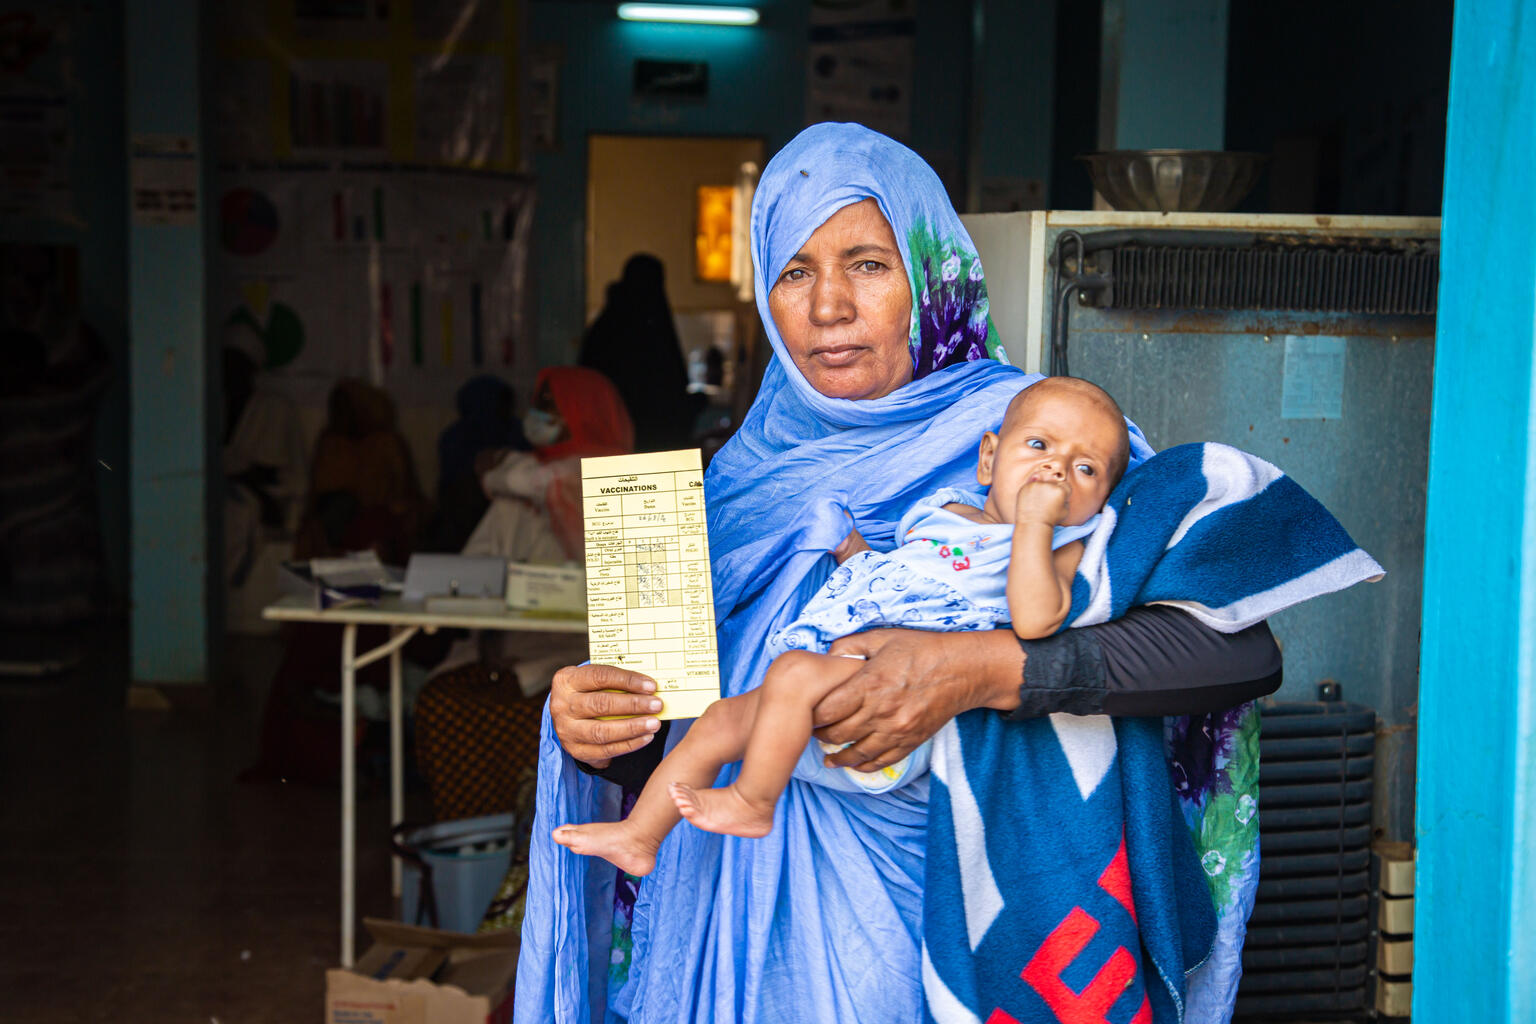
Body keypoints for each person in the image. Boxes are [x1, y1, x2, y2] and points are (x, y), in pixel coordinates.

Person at [517, 123, 1285, 1024]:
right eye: (795, 271)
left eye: (868, 264)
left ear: (931, 273)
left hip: (958, 923)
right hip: (728, 941)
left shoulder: (1034, 440)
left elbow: (1233, 647)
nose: (828, 306)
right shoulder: (732, 486)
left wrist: (979, 669)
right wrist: (593, 725)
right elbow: (673, 736)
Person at [550, 377, 1131, 868]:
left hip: (893, 727)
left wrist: (1034, 525)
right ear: (988, 457)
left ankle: (753, 798)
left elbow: (1035, 618)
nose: (1055, 472)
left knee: (795, 673)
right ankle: (641, 837)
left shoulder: (1067, 545)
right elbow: (899, 578)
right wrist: (855, 556)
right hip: (833, 689)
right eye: (1038, 446)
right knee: (721, 720)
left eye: (1083, 469)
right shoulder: (942, 512)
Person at [579, 254, 701, 452]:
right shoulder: (655, 327)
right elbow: (670, 393)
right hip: (653, 445)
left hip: (607, 443)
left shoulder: (605, 327)